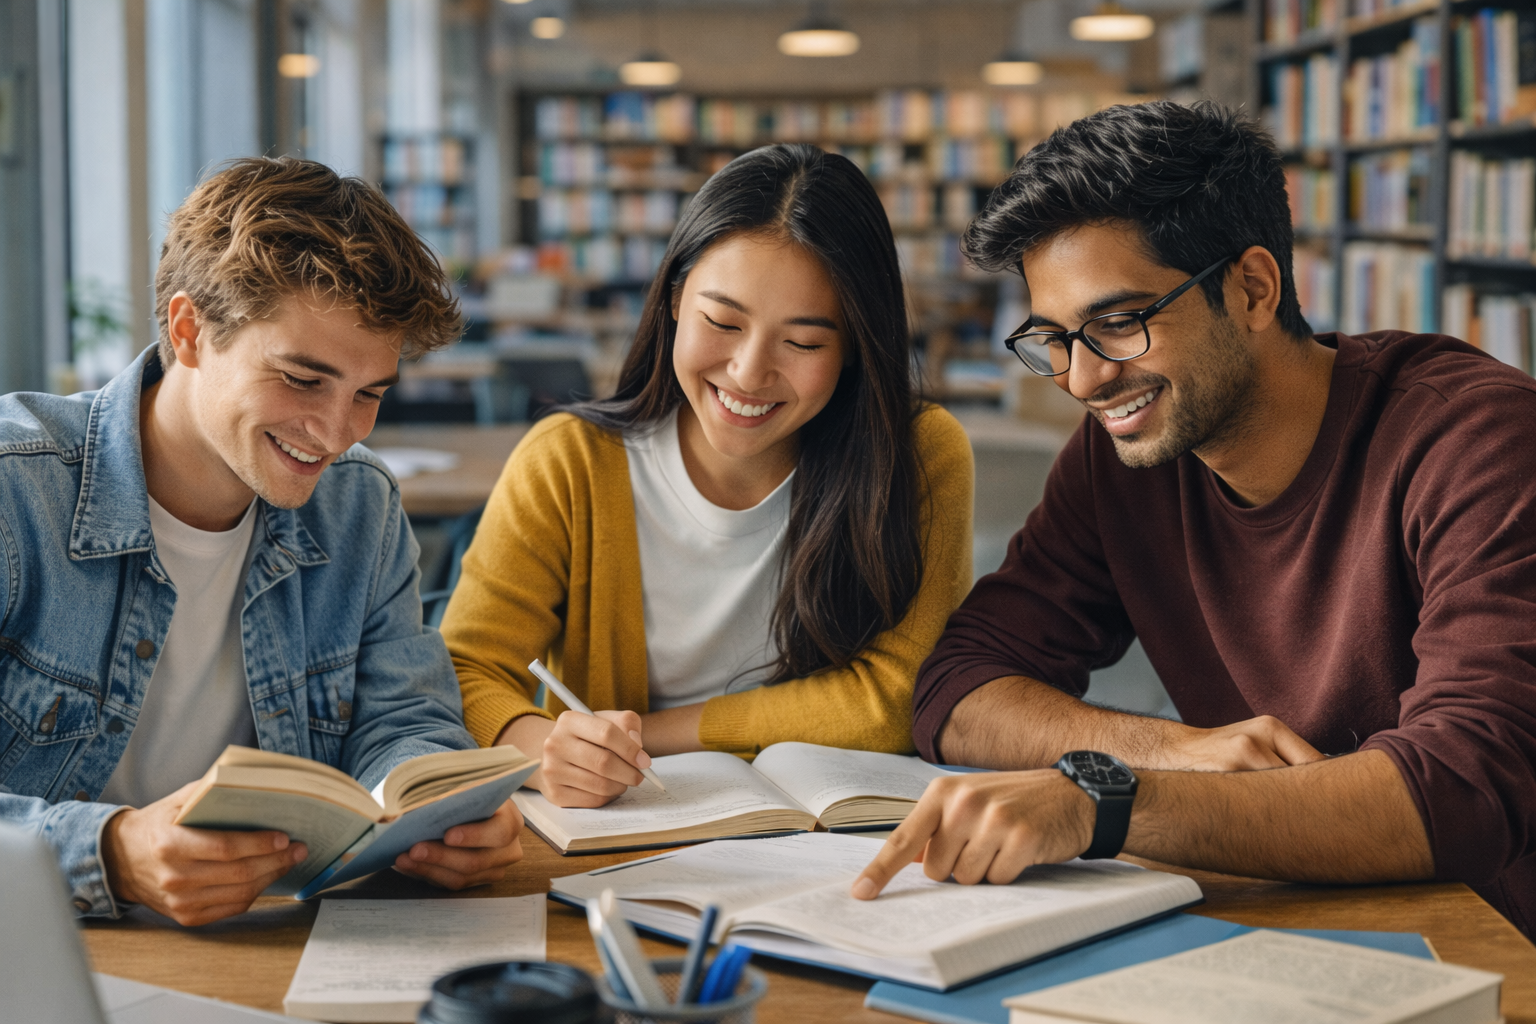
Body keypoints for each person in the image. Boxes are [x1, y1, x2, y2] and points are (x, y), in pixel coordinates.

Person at [850, 101, 1536, 938]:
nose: (1081, 380)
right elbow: (959, 685)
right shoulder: (1127, 454)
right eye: (1053, 338)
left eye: (1118, 324)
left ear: (1252, 288)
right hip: (1304, 920)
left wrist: (1102, 801)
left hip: (1496, 941)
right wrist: (1173, 752)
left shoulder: (1483, 441)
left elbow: (1467, 789)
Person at [0, 157, 523, 927]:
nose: (337, 433)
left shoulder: (358, 506)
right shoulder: (17, 495)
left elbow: (401, 719)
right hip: (47, 950)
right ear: (189, 331)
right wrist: (111, 851)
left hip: (269, 946)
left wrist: (436, 801)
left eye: (369, 393)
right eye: (302, 380)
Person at [442, 144, 973, 807]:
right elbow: (464, 669)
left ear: (855, 349)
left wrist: (649, 736)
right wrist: (539, 744)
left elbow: (898, 698)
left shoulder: (919, 455)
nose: (749, 373)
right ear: (671, 299)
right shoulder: (570, 461)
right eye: (722, 322)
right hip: (618, 838)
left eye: (804, 342)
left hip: (831, 841)